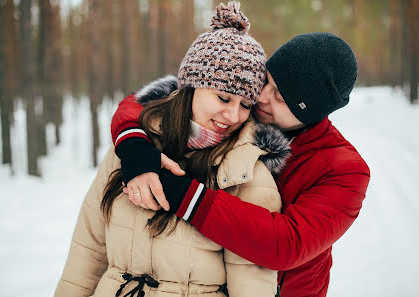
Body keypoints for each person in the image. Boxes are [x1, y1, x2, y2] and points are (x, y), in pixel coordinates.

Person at [54, 2, 289, 297]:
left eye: (245, 105)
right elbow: (88, 250)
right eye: (223, 98)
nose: (233, 116)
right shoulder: (132, 147)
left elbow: (252, 284)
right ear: (191, 87)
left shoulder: (247, 175)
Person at [111, 31, 371, 296]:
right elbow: (148, 102)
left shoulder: (344, 171)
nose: (260, 97)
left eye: (280, 97)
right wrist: (134, 147)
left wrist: (182, 194)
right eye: (266, 80)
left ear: (311, 112)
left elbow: (286, 244)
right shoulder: (242, 111)